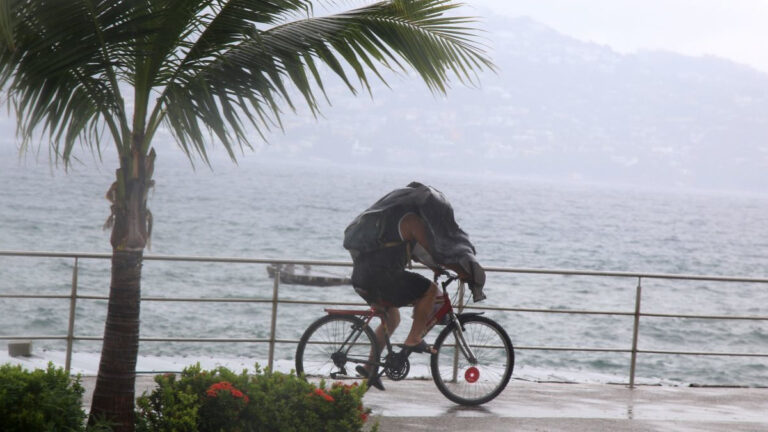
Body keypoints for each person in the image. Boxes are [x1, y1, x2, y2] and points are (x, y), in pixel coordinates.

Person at [344, 182, 486, 390]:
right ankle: (414, 338)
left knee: (392, 318)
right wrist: (462, 272)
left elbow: (419, 253)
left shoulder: (393, 219)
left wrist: (434, 268)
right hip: (383, 277)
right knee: (429, 291)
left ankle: (369, 367)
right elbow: (436, 250)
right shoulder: (412, 221)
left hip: (364, 276)